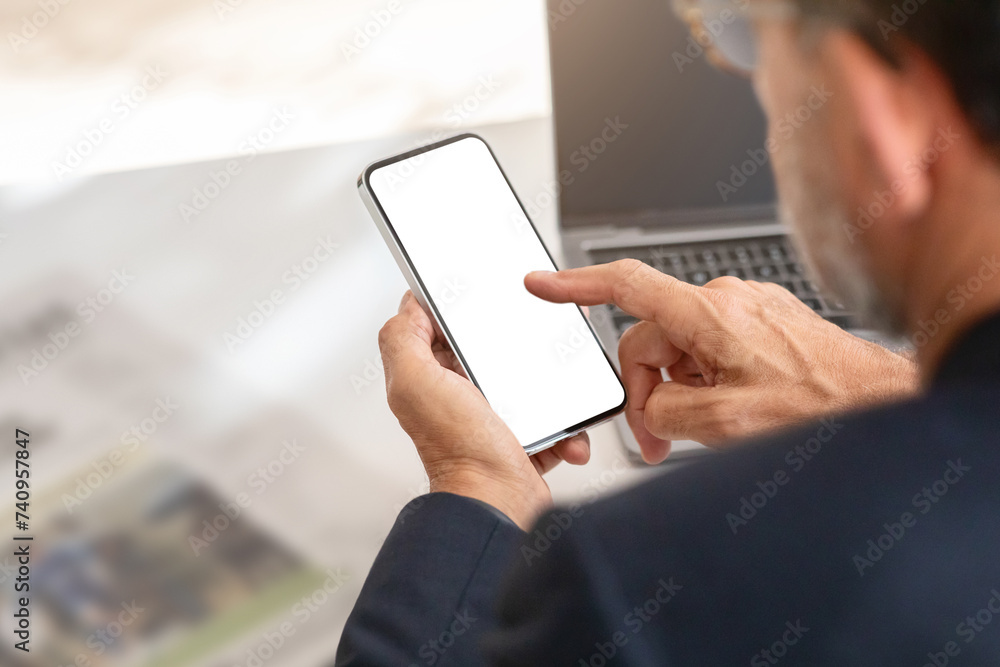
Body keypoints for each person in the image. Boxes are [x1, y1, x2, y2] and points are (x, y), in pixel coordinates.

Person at [337, 0, 1000, 663]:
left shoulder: (633, 585)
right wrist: (886, 397)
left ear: (889, 120)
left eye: (748, 40)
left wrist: (478, 482)